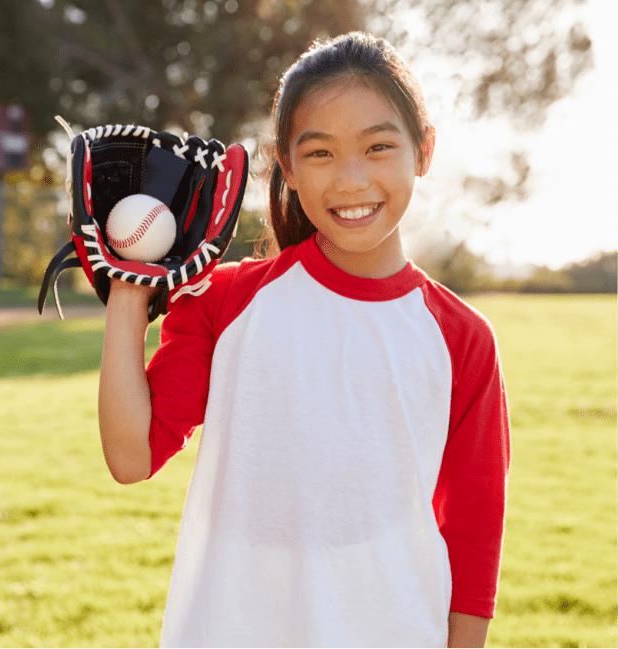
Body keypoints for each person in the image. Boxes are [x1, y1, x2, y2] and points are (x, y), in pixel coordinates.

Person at [98, 31, 510, 648]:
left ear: (423, 150)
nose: (351, 180)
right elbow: (131, 457)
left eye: (378, 146)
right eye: (319, 154)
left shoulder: (463, 339)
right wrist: (131, 290)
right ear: (285, 165)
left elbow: (474, 540)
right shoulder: (226, 300)